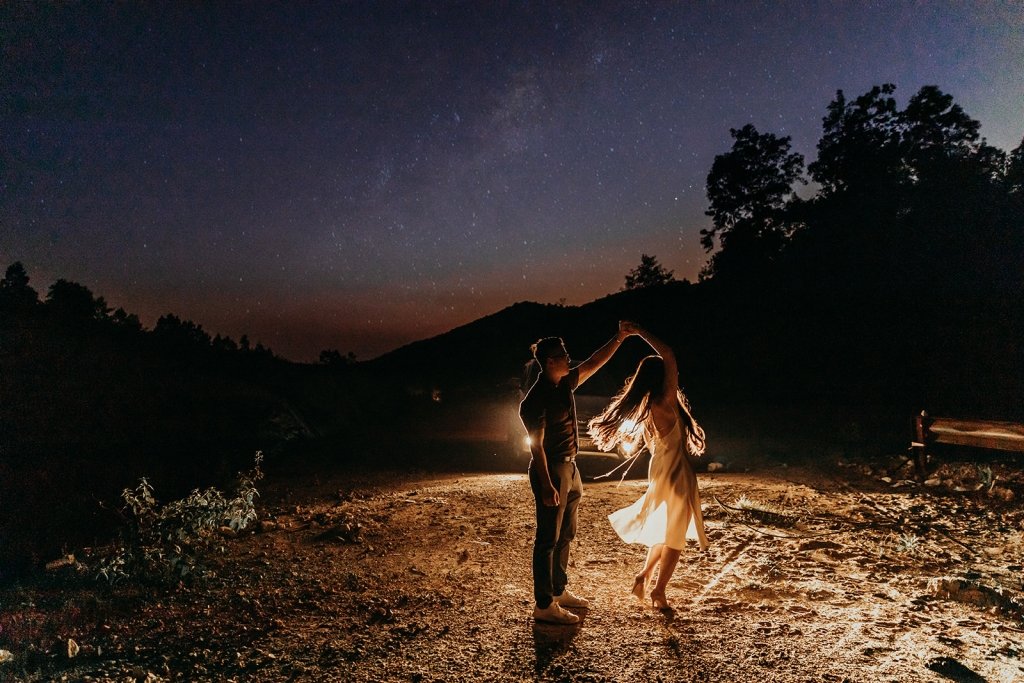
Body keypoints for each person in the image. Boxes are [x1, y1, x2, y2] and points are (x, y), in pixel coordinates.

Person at [520, 322, 634, 624]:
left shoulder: (565, 383)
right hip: (552, 469)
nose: (569, 358)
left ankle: (558, 590)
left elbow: (595, 362)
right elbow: (537, 447)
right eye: (563, 354)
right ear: (549, 362)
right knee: (547, 538)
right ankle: (543, 605)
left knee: (566, 533)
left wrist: (619, 337)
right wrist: (546, 484)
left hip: (570, 466)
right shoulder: (534, 401)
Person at [588, 322, 708, 610]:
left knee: (665, 529)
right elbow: (668, 354)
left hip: (664, 470)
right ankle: (659, 592)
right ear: (662, 379)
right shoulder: (664, 400)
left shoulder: (649, 406)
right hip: (675, 473)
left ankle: (644, 577)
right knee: (675, 537)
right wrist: (640, 331)